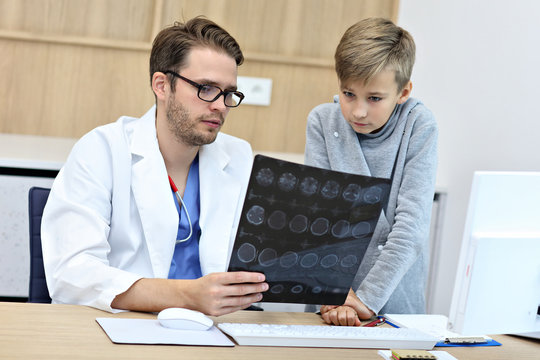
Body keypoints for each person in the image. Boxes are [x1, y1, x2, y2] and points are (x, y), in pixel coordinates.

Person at [41, 17, 268, 315]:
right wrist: (188, 295)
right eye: (207, 89)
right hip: (122, 326)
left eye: (228, 93)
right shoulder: (102, 150)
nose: (221, 106)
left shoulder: (238, 156)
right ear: (161, 85)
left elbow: (262, 261)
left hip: (215, 332)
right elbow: (71, 274)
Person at [304, 17, 438, 326]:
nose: (358, 111)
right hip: (331, 301)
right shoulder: (323, 122)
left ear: (403, 92)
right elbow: (319, 218)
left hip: (393, 304)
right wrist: (335, 292)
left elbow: (410, 229)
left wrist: (365, 299)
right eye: (348, 94)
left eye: (374, 98)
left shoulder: (419, 125)